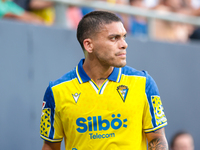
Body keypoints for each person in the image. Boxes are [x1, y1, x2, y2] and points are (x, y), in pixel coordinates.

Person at [40, 10, 168, 150]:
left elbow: (157, 138)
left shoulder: (143, 83)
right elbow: (50, 146)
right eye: (114, 38)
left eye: (124, 37)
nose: (124, 44)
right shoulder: (57, 91)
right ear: (89, 45)